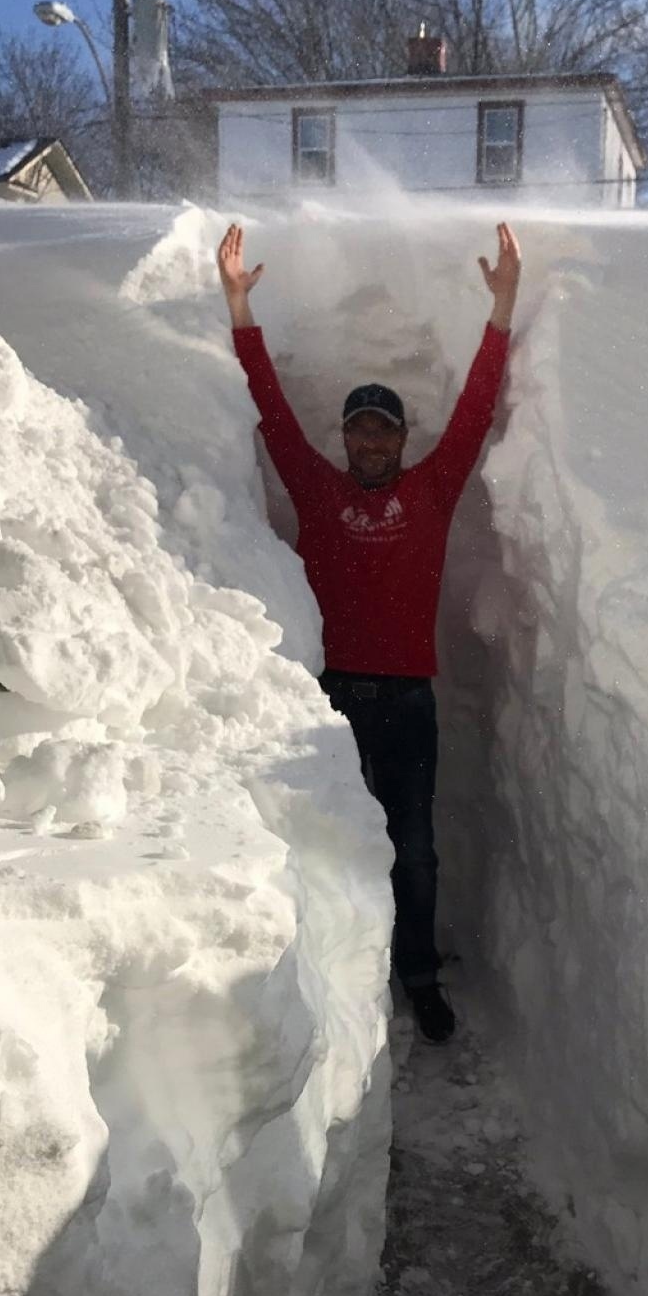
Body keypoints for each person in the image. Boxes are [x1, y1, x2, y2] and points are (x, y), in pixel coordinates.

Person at [217, 221, 522, 1043]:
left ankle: (417, 976)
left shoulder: (429, 492)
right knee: (332, 843)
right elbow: (273, 413)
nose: (370, 440)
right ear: (345, 437)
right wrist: (241, 310)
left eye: (383, 429)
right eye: (358, 428)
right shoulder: (318, 492)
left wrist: (502, 310)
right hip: (333, 698)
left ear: (401, 440)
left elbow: (475, 412)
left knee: (413, 849)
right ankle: (338, 971)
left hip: (409, 702)